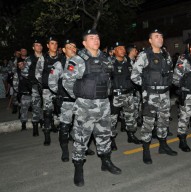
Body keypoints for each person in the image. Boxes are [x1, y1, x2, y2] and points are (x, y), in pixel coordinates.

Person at [63, 29, 121, 187]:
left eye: (97, 37)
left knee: (104, 136)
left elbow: (109, 79)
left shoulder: (105, 58)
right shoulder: (78, 60)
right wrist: (80, 96)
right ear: (84, 43)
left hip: (103, 104)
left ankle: (106, 161)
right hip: (85, 106)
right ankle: (78, 168)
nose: (96, 40)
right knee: (81, 139)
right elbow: (67, 81)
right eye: (91, 37)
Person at [131, 29, 177, 165]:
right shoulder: (145, 55)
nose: (160, 38)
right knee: (148, 123)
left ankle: (163, 145)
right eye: (156, 36)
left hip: (165, 94)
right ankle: (146, 150)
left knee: (163, 121)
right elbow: (134, 76)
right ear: (150, 40)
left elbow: (170, 72)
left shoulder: (166, 54)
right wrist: (146, 86)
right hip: (151, 95)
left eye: (161, 36)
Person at [48, 38, 77, 162]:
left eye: (74, 47)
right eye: (69, 47)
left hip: (81, 101)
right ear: (64, 50)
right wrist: (61, 93)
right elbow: (51, 82)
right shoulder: (59, 64)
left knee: (81, 126)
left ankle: (83, 148)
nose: (73, 49)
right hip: (66, 102)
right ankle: (65, 150)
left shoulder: (81, 63)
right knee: (65, 127)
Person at [110, 42, 141, 151]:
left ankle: (131, 135)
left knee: (130, 117)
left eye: (123, 48)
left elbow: (136, 76)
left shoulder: (129, 62)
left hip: (128, 95)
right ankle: (111, 139)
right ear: (114, 51)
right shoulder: (110, 63)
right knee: (112, 120)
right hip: (115, 96)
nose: (122, 50)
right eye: (119, 48)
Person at [35, 36, 62, 145]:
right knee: (47, 112)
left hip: (60, 90)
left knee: (62, 112)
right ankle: (47, 135)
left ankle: (65, 134)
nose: (54, 46)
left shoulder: (61, 58)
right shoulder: (43, 58)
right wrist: (47, 83)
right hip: (47, 90)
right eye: (52, 43)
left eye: (55, 43)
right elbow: (37, 74)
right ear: (47, 45)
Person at [24, 38, 44, 136]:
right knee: (36, 107)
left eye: (40, 45)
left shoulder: (46, 57)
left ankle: (46, 124)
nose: (39, 47)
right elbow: (24, 72)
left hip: (46, 86)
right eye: (36, 45)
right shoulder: (30, 59)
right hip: (35, 86)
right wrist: (31, 81)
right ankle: (35, 127)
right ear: (33, 47)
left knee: (47, 106)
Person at [12, 58, 33, 131]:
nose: (20, 66)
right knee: (23, 110)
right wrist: (20, 92)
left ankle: (39, 122)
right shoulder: (17, 73)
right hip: (24, 94)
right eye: (19, 65)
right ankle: (23, 124)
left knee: (37, 109)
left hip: (33, 94)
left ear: (24, 64)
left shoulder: (30, 71)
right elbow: (15, 85)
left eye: (21, 64)